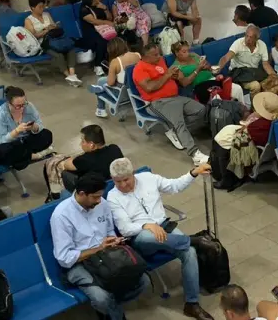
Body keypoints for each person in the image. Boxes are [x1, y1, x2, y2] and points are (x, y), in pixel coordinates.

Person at [107, 158, 215, 320]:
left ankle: (191, 304)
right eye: (117, 181)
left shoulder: (148, 178)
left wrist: (194, 173)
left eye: (126, 180)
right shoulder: (113, 197)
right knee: (150, 237)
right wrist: (146, 225)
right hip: (141, 237)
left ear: (133, 174)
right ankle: (193, 240)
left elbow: (174, 186)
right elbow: (125, 229)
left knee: (189, 252)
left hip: (165, 228)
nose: (122, 185)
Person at [51, 173, 150, 320]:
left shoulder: (102, 204)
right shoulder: (61, 216)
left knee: (143, 281)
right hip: (79, 263)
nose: (99, 200)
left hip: (106, 255)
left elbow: (109, 230)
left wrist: (113, 240)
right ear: (82, 194)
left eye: (100, 196)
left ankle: (110, 309)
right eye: (95, 197)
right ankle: (114, 313)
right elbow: (64, 258)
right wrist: (99, 248)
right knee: (102, 298)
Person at [133, 44, 209, 165]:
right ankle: (195, 155)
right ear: (145, 57)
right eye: (155, 55)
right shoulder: (139, 69)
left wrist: (173, 75)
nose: (159, 56)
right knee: (179, 123)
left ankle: (177, 131)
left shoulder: (160, 61)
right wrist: (167, 75)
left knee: (201, 110)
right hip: (159, 102)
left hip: (175, 97)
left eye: (159, 53)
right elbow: (149, 87)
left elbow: (165, 76)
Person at [0, 85, 55, 170]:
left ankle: (22, 157)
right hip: (2, 144)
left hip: (23, 141)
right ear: (9, 103)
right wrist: (16, 131)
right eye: (18, 106)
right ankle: (34, 156)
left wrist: (34, 127)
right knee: (6, 150)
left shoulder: (29, 106)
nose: (22, 108)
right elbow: (1, 140)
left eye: (23, 104)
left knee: (46, 135)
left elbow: (40, 125)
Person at [45, 124, 124, 199]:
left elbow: (66, 164)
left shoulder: (85, 160)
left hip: (93, 192)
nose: (80, 144)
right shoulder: (115, 149)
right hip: (114, 186)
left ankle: (55, 194)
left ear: (91, 145)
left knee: (55, 164)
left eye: (83, 141)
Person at [24, 0, 81, 85]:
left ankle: (72, 74)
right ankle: (68, 75)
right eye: (39, 7)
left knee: (70, 49)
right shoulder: (28, 20)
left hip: (55, 40)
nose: (42, 9)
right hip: (43, 43)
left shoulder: (46, 15)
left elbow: (53, 26)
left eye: (43, 6)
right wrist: (47, 29)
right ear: (32, 8)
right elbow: (34, 36)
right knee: (59, 55)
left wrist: (54, 26)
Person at [79, 0, 118, 77]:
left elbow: (109, 18)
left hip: (104, 30)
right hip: (90, 32)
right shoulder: (84, 9)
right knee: (101, 41)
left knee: (117, 36)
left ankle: (114, 61)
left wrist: (105, 9)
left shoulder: (100, 5)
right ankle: (98, 65)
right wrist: (107, 23)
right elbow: (93, 21)